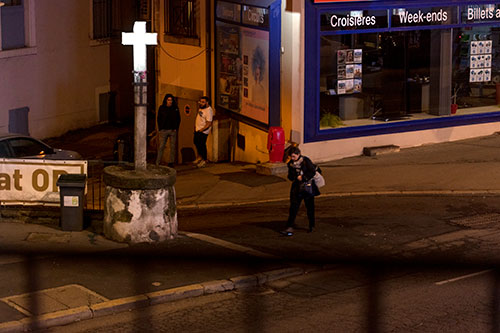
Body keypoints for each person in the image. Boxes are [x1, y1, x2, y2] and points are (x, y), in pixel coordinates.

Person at [281, 147, 318, 236]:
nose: (292, 159)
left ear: (298, 154)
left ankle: (311, 225)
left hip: (307, 188)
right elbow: (290, 176)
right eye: (291, 157)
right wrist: (294, 176)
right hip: (296, 189)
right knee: (293, 208)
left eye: (294, 156)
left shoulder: (306, 161)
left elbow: (312, 171)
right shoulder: (290, 164)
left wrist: (303, 177)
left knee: (310, 207)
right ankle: (289, 226)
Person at [155, 94, 180, 167]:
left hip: (172, 130)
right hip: (164, 130)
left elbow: (178, 119)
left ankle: (171, 162)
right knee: (161, 146)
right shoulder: (162, 108)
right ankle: (158, 162)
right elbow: (159, 118)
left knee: (172, 147)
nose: (170, 101)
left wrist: (176, 128)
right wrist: (160, 128)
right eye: (168, 100)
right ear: (166, 100)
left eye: (171, 100)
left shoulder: (175, 108)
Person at [193, 96, 213, 168]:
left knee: (202, 144)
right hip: (198, 129)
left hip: (203, 131)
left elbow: (209, 122)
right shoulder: (201, 108)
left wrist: (202, 129)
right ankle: (200, 157)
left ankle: (204, 159)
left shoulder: (209, 111)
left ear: (207, 103)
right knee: (196, 142)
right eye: (200, 102)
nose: (201, 103)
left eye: (203, 102)